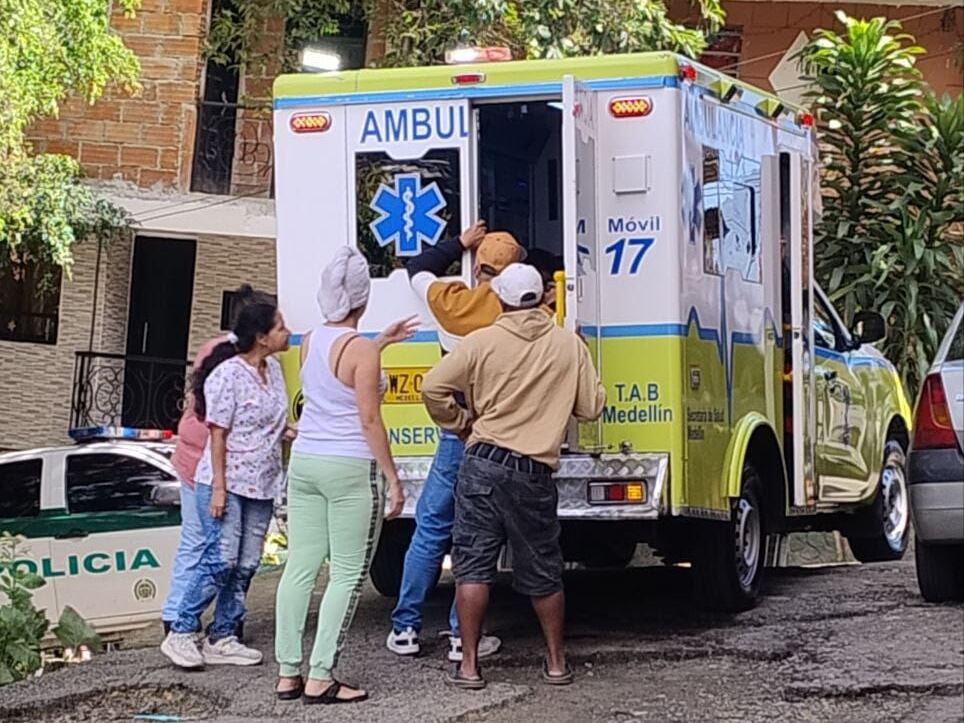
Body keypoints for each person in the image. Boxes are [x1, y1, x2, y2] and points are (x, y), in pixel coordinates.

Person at [421, 263, 606, 690]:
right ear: (542, 297)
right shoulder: (567, 345)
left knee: (472, 567)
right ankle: (556, 664)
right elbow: (591, 407)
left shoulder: (480, 341)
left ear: (500, 299)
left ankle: (469, 667)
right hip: (532, 472)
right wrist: (579, 358)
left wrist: (460, 422)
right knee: (543, 569)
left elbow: (432, 387)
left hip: (482, 464)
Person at [274, 246, 414, 705]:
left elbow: (335, 377)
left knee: (300, 567)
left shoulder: (310, 340)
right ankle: (321, 675)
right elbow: (369, 420)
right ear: (363, 298)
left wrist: (381, 343)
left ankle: (288, 672)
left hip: (306, 462)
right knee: (349, 574)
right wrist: (393, 478)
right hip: (350, 465)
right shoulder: (362, 352)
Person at [387, 221, 525, 662]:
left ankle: (405, 629)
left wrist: (458, 243)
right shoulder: (518, 318)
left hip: (456, 433)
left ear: (478, 266)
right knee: (476, 536)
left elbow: (418, 268)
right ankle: (460, 637)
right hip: (496, 436)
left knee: (430, 528)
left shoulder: (451, 302)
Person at [160, 296, 291, 670]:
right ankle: (182, 629)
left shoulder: (274, 369)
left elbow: (268, 421)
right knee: (221, 559)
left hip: (261, 482)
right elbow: (217, 435)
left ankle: (224, 634)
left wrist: (287, 432)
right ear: (262, 337)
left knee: (247, 562)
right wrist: (218, 488)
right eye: (280, 327)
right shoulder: (227, 375)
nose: (287, 332)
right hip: (227, 482)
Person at [162, 285, 262, 638]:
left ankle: (175, 616)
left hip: (191, 456)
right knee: (226, 549)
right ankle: (218, 622)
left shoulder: (212, 348)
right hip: (218, 466)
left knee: (196, 541)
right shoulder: (240, 362)